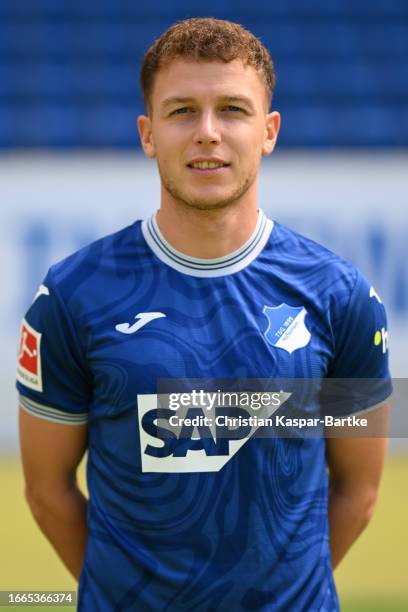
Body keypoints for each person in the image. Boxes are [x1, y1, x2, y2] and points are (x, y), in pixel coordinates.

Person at [17, 17, 391, 612]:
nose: (208, 133)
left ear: (269, 131)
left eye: (234, 111)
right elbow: (45, 491)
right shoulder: (71, 295)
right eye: (183, 110)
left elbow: (361, 490)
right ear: (148, 134)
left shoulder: (341, 294)